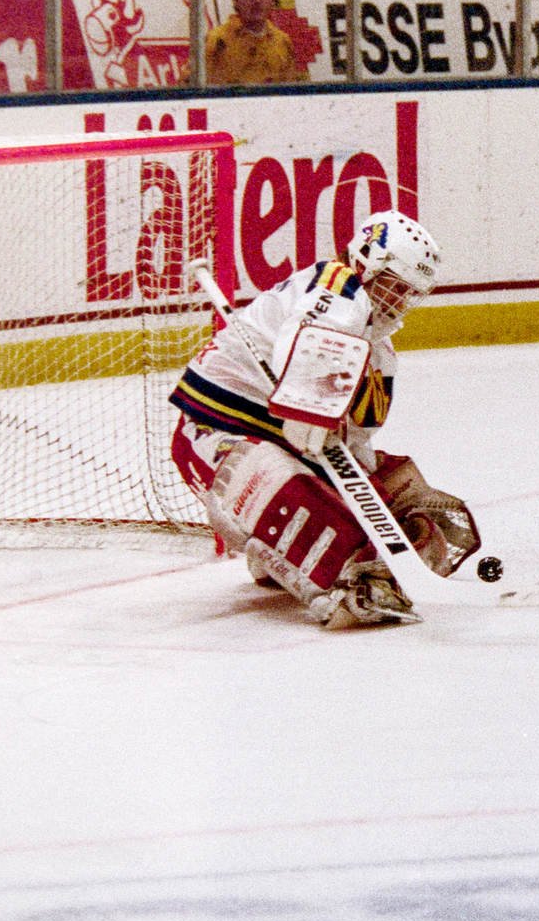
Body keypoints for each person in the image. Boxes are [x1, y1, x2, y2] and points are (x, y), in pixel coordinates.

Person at [170, 211, 474, 627]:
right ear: (366, 264)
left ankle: (278, 554)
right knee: (280, 482)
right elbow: (306, 340)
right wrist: (309, 403)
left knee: (396, 488)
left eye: (409, 293)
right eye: (394, 287)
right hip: (215, 434)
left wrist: (371, 497)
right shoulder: (337, 285)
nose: (400, 301)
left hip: (283, 440)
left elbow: (356, 445)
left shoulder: (379, 351)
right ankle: (342, 583)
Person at [206, 0, 305, 85]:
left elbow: (289, 95)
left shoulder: (283, 42)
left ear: (273, 0)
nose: (257, 0)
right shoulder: (217, 41)